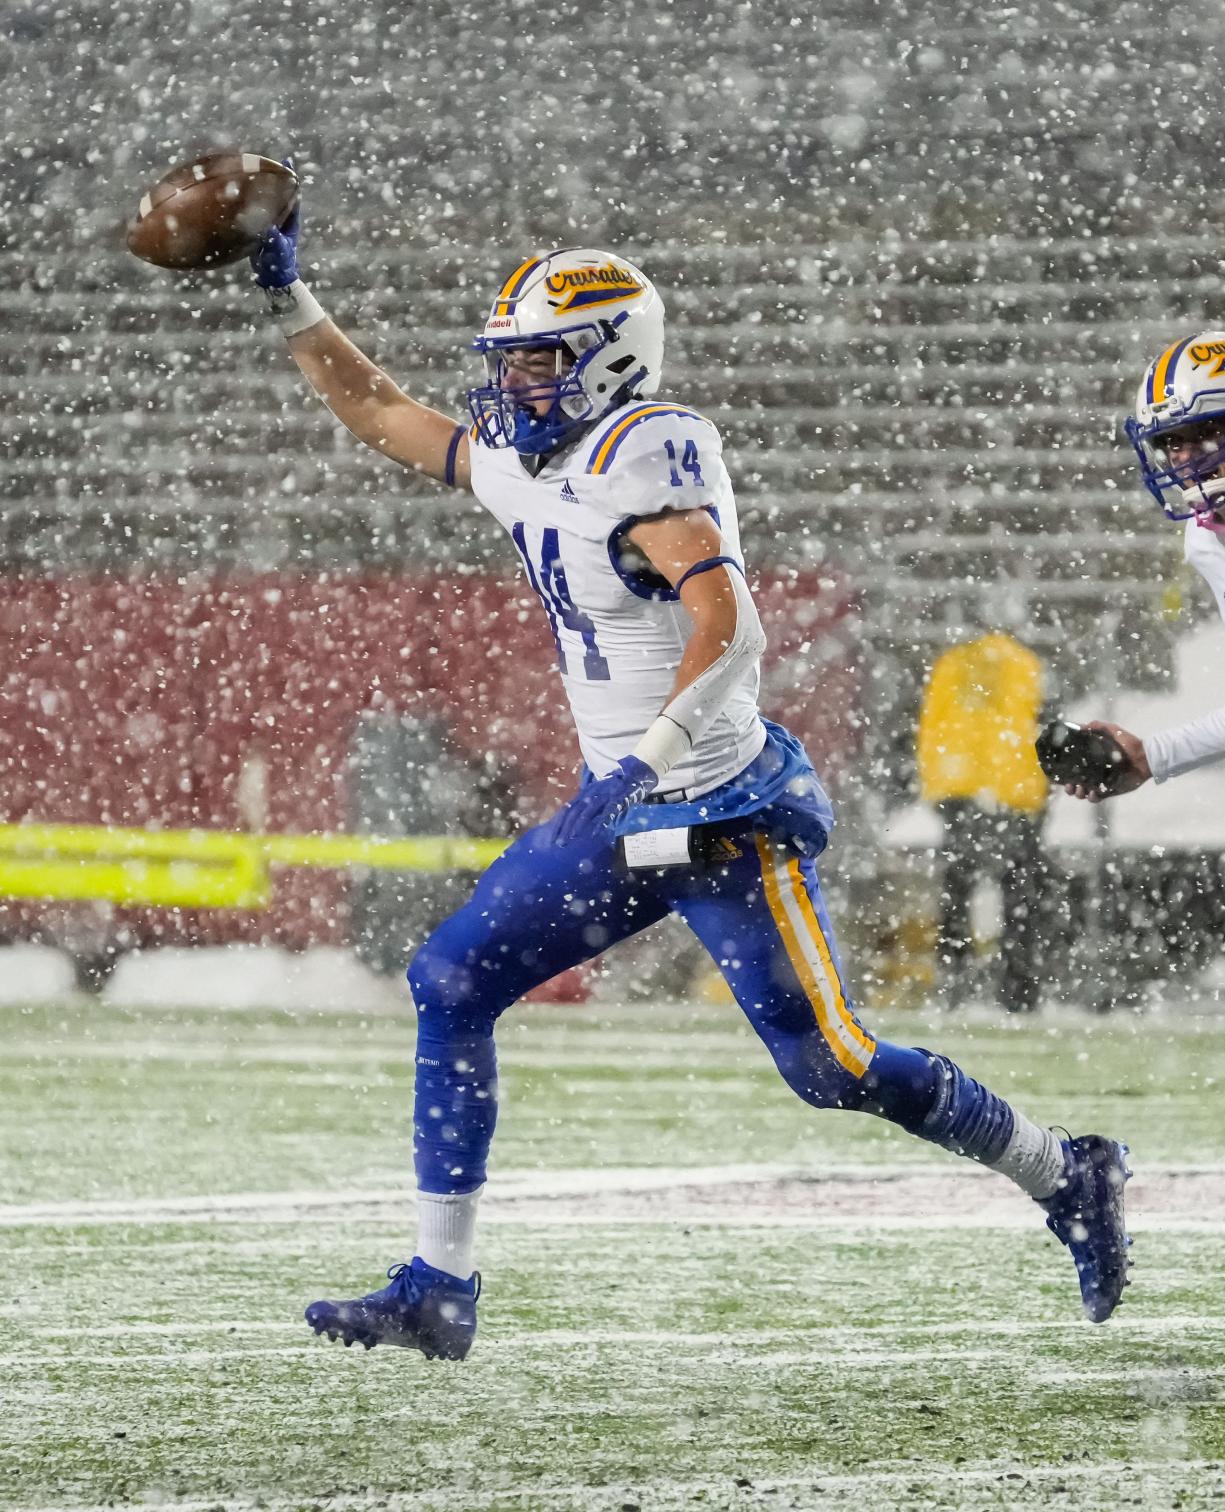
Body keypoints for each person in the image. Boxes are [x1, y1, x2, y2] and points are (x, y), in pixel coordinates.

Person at [243, 188, 1131, 1358]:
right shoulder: (527, 463)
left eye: (540, 363)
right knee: (451, 983)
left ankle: (1064, 1169)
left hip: (719, 811)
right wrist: (286, 292)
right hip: (619, 812)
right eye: (508, 364)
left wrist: (649, 761)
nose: (514, 387)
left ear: (611, 361)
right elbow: (374, 405)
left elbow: (733, 626)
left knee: (835, 1067)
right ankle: (439, 1285)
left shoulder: (647, 452)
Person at [1068, 328, 1225, 1091]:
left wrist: (1158, 754)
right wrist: (1149, 756)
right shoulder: (1212, 542)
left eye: (1203, 434)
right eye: (1172, 442)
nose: (1183, 459)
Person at [917, 632, 1049, 1012]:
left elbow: (933, 725)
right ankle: (1019, 991)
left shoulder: (952, 664)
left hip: (960, 786)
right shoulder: (1024, 664)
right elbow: (1035, 724)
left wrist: (937, 784)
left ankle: (954, 982)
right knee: (1018, 892)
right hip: (1013, 791)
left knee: (959, 887)